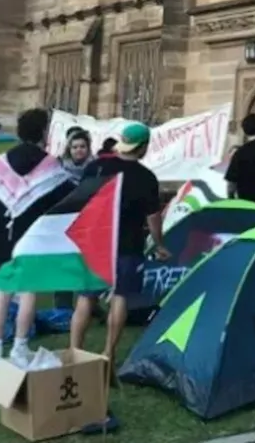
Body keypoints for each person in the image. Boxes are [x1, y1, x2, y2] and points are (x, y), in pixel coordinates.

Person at [0, 109, 77, 368]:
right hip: (33, 238)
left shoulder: (1, 163)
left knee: (2, 291)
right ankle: (20, 348)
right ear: (43, 132)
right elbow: (65, 202)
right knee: (28, 292)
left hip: (3, 236)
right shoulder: (50, 166)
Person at [69, 122, 169, 376]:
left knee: (85, 297)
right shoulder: (146, 178)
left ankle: (74, 352)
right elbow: (153, 217)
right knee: (120, 298)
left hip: (96, 243)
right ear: (143, 147)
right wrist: (158, 244)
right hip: (128, 244)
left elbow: (80, 204)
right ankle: (108, 356)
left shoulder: (95, 167)